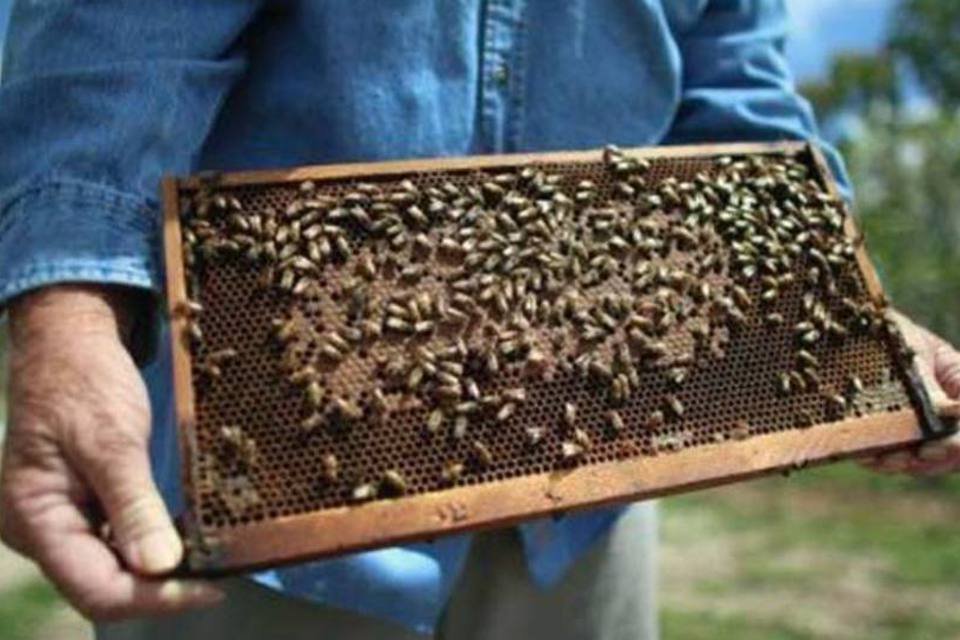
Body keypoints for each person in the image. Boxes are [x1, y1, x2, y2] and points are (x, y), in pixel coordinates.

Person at [1, 1, 958, 639]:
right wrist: (68, 319)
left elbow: (734, 98)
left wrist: (850, 327)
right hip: (274, 498)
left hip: (590, 495)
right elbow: (117, 38)